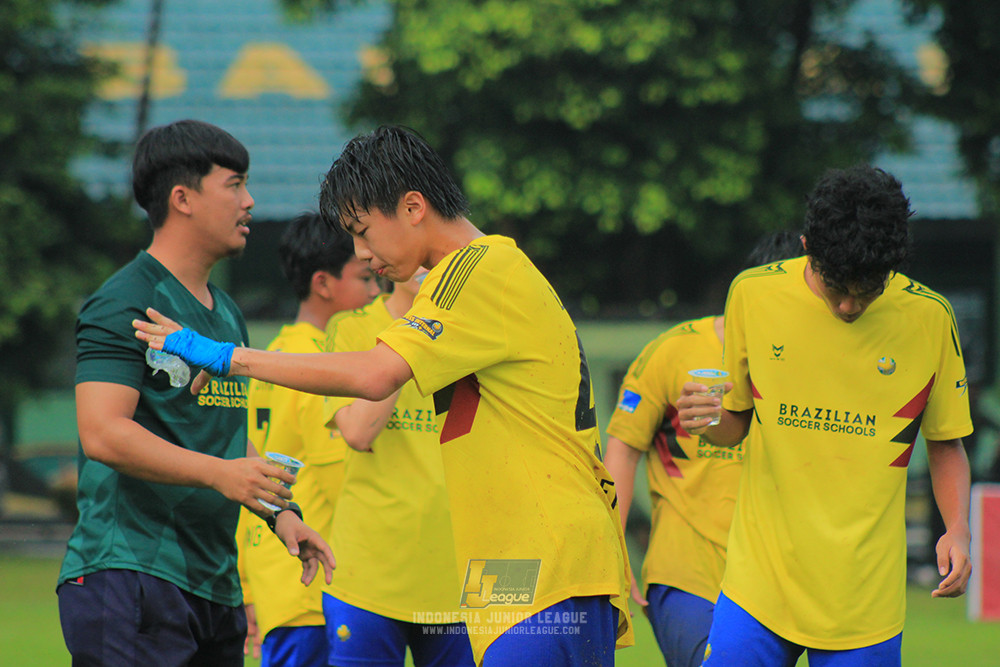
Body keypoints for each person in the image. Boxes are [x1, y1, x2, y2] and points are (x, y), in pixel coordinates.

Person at [133, 124, 634, 666]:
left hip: (544, 559)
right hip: (511, 564)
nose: (361, 253)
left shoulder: (478, 271)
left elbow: (374, 376)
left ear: (413, 207)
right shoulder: (474, 276)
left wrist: (228, 357)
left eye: (364, 230)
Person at [59, 119, 334, 667]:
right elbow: (103, 433)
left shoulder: (226, 314)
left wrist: (282, 514)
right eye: (235, 185)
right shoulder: (124, 302)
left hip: (213, 584)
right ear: (182, 198)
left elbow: (227, 440)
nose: (250, 202)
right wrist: (218, 474)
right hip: (130, 574)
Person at [678, 164, 973, 666]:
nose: (847, 305)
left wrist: (959, 530)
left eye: (867, 289)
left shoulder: (929, 318)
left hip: (864, 603)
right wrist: (704, 418)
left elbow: (945, 443)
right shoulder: (753, 293)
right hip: (759, 588)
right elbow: (735, 424)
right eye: (836, 285)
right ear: (805, 245)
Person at [603, 230, 803, 667]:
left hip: (781, 583)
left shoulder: (808, 359)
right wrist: (611, 549)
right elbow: (623, 445)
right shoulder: (674, 350)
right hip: (686, 575)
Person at [238, 212, 380, 665]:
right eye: (365, 278)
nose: (376, 292)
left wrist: (247, 585)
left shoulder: (273, 355)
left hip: (275, 579)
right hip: (316, 583)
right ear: (323, 283)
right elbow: (342, 478)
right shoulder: (319, 365)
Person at [320, 269, 475, 667]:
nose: (427, 267)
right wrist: (413, 332)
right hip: (368, 574)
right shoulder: (352, 328)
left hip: (460, 577)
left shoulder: (474, 332)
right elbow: (357, 431)